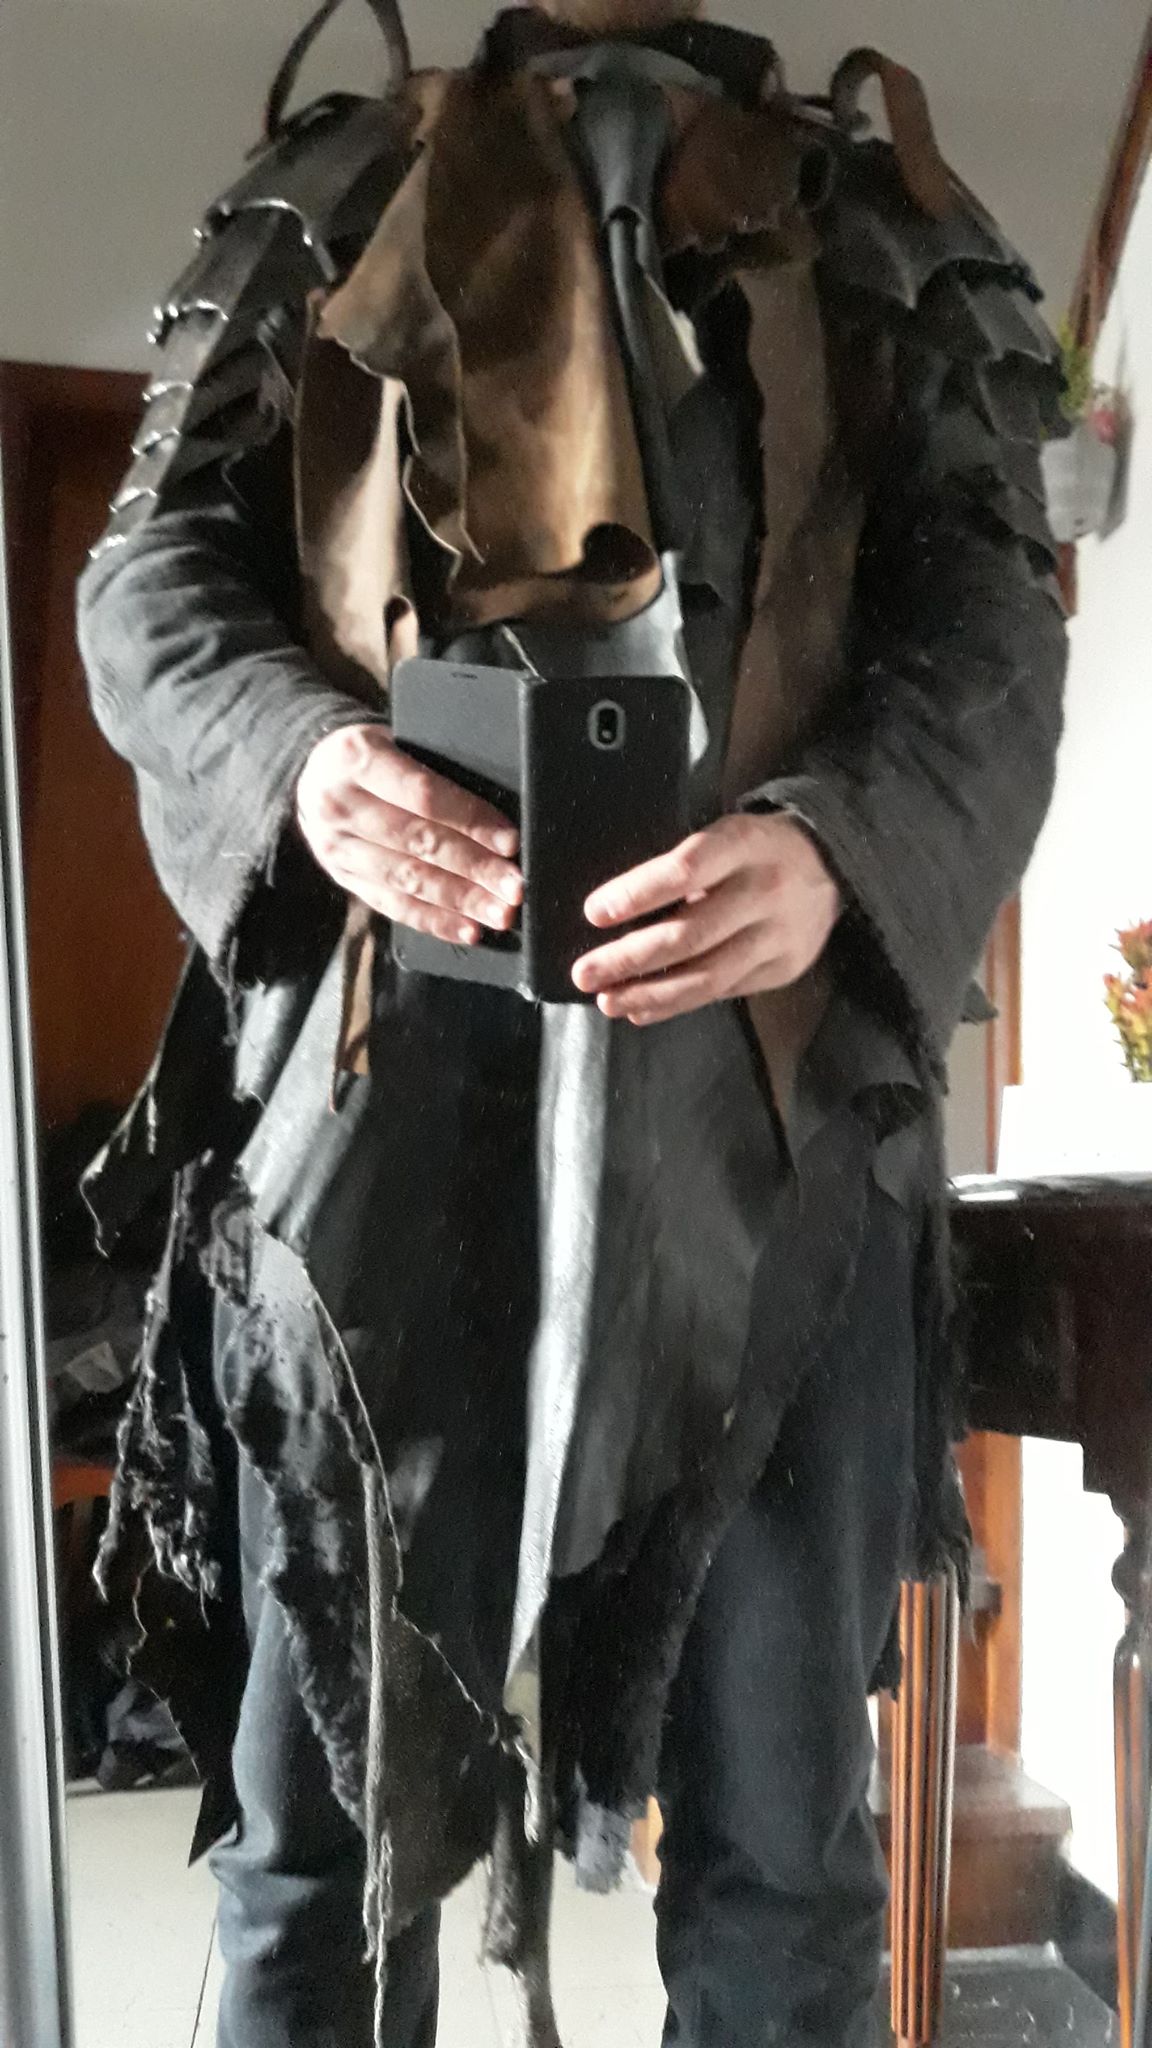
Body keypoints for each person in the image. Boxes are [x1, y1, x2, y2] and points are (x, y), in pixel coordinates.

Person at [76, 1, 1068, 2043]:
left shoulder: (878, 230)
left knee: (786, 1868)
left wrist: (838, 846)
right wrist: (300, 764)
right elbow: (151, 581)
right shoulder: (333, 187)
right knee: (310, 1863)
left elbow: (992, 616)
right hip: (363, 1152)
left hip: (778, 1158)